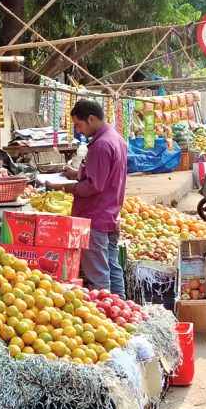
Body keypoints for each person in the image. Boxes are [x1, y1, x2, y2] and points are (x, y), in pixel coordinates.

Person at [47, 99, 128, 295]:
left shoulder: (101, 145)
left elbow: (94, 185)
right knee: (112, 266)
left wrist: (65, 187)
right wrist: (75, 173)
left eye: (78, 124)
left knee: (98, 274)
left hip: (96, 216)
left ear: (91, 119)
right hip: (110, 213)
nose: (78, 130)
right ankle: (122, 307)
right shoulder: (116, 138)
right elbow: (102, 174)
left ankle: (106, 314)